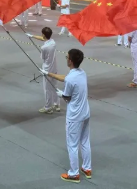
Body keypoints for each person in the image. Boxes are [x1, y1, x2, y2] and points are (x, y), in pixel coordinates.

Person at [42, 48, 92, 182]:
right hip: (85, 112)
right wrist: (49, 74)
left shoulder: (70, 79)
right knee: (85, 141)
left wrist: (61, 94)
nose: (66, 59)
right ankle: (87, 168)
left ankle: (74, 174)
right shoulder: (82, 73)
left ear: (70, 61)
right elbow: (66, 78)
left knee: (72, 145)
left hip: (75, 116)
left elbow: (67, 97)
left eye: (67, 57)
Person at [26, 27, 60, 113]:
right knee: (54, 86)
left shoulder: (44, 47)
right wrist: (32, 36)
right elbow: (43, 39)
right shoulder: (53, 42)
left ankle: (48, 107)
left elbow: (43, 58)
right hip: (54, 67)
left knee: (47, 89)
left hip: (47, 69)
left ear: (43, 34)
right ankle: (56, 104)